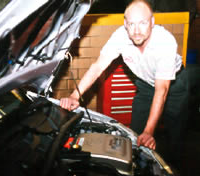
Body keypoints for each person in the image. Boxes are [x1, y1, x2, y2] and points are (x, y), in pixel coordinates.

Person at [60, 0, 189, 164]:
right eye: (132, 24)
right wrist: (74, 96)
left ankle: (174, 170)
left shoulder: (165, 41)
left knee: (176, 133)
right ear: (125, 24)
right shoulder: (120, 36)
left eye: (142, 23)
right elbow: (98, 66)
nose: (136, 31)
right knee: (134, 131)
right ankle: (135, 167)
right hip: (145, 85)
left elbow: (162, 90)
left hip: (174, 85)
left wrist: (149, 132)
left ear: (152, 22)